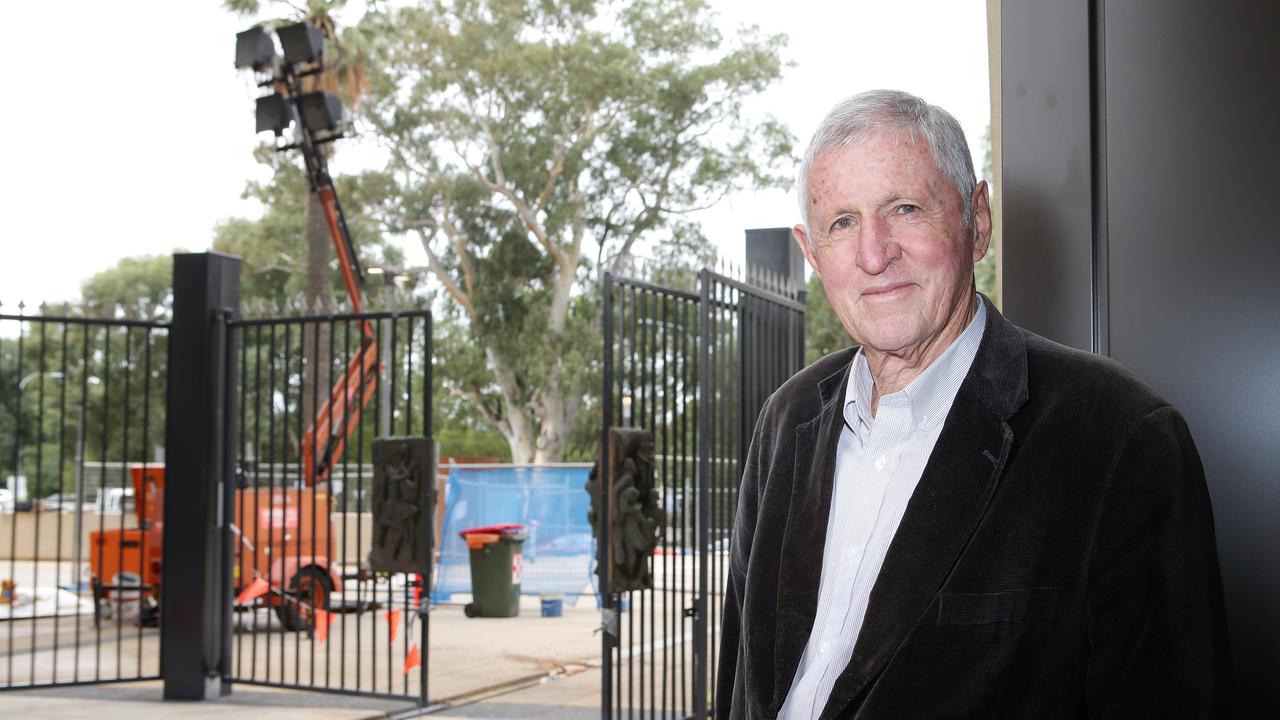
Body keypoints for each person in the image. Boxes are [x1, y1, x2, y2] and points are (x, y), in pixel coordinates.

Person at [715, 89, 1231, 719]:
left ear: (977, 219)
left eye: (904, 208)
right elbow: (742, 676)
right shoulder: (787, 419)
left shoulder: (1119, 437)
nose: (874, 255)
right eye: (842, 222)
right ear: (812, 252)